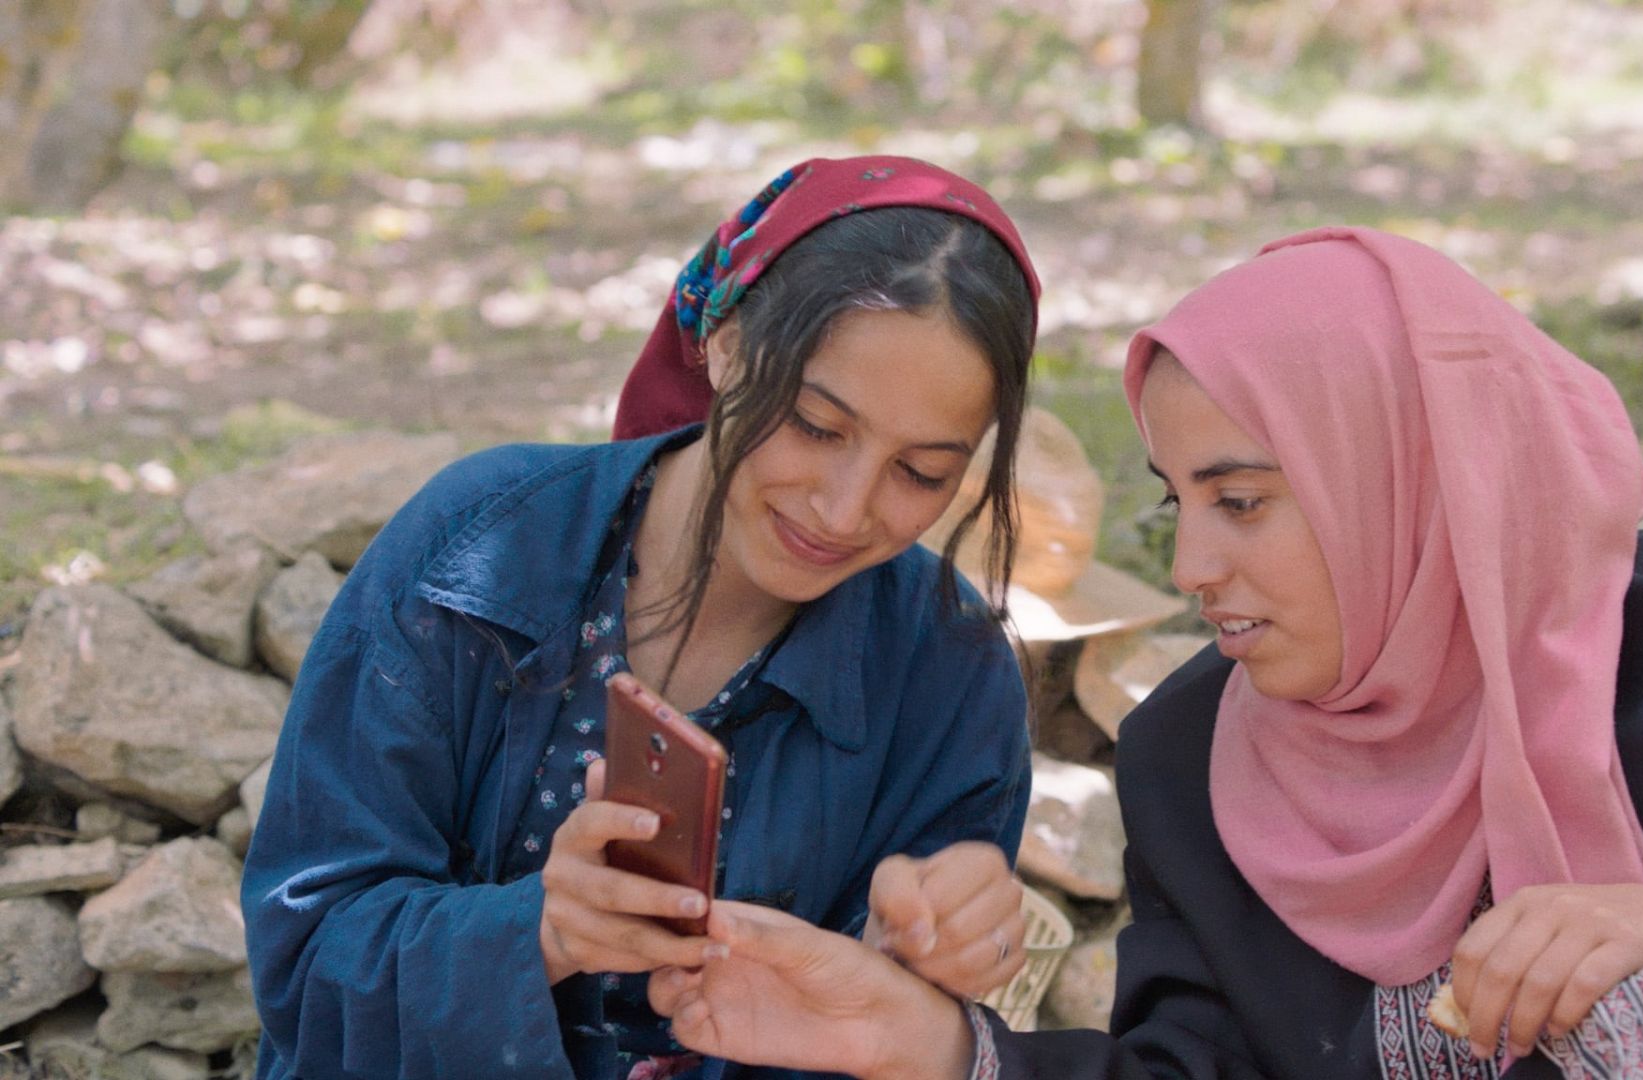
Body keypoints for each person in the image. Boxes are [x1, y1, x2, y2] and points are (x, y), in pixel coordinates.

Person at [638, 227, 1643, 1080]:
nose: (1193, 568)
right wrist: (928, 1044)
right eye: (1176, 502)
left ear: (1408, 478)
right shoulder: (1195, 753)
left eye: (1243, 501)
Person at [240, 156, 1048, 1080]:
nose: (843, 508)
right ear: (727, 343)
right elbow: (304, 964)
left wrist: (930, 968)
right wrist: (538, 930)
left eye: (921, 473)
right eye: (817, 426)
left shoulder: (948, 673)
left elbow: (911, 1032)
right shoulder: (476, 551)